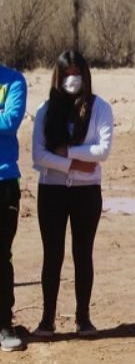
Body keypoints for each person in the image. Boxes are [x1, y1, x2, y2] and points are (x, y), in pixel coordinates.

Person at [31, 50, 114, 337]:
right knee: (52, 255)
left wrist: (66, 152)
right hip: (51, 192)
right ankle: (47, 319)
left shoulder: (100, 108)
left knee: (83, 254)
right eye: (66, 74)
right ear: (59, 76)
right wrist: (75, 163)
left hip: (86, 193)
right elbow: (38, 156)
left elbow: (102, 150)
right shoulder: (46, 110)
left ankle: (83, 318)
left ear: (85, 75)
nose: (72, 80)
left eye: (77, 74)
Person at [0, 62, 26, 352]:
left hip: (4, 180)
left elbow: (10, 122)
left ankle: (4, 324)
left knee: (1, 257)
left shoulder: (13, 80)